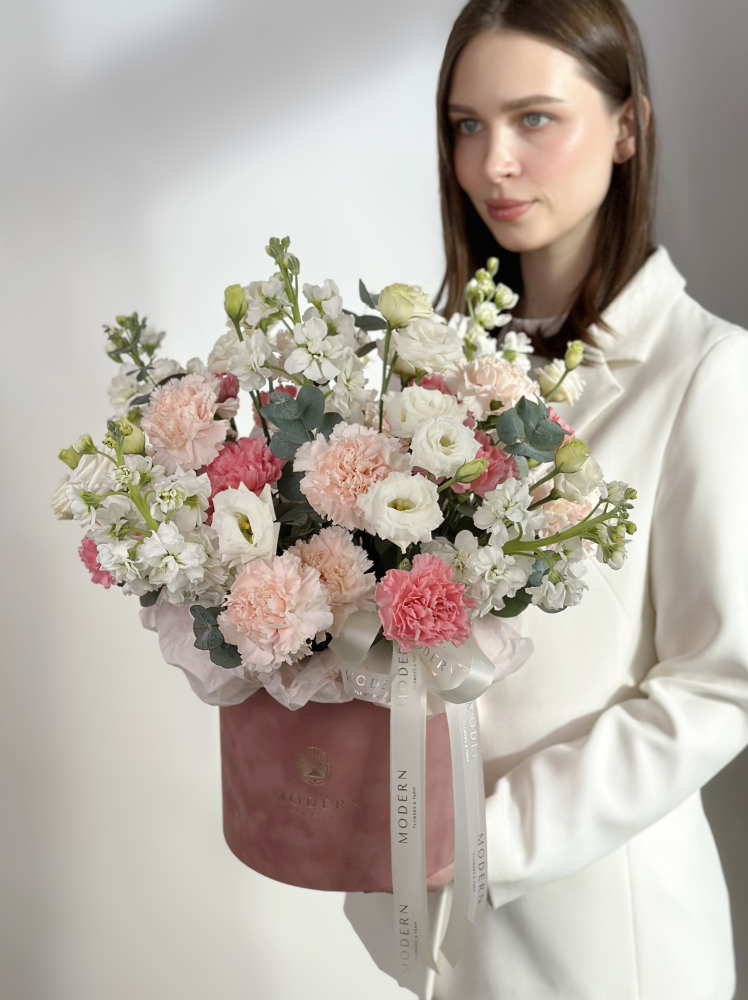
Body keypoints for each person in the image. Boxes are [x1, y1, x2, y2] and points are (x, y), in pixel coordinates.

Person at [344, 1, 748, 998]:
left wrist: (481, 844)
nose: (493, 163)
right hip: (450, 929)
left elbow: (719, 685)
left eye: (534, 118)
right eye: (466, 124)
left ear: (626, 127)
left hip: (610, 939)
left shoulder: (706, 371)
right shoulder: (435, 377)